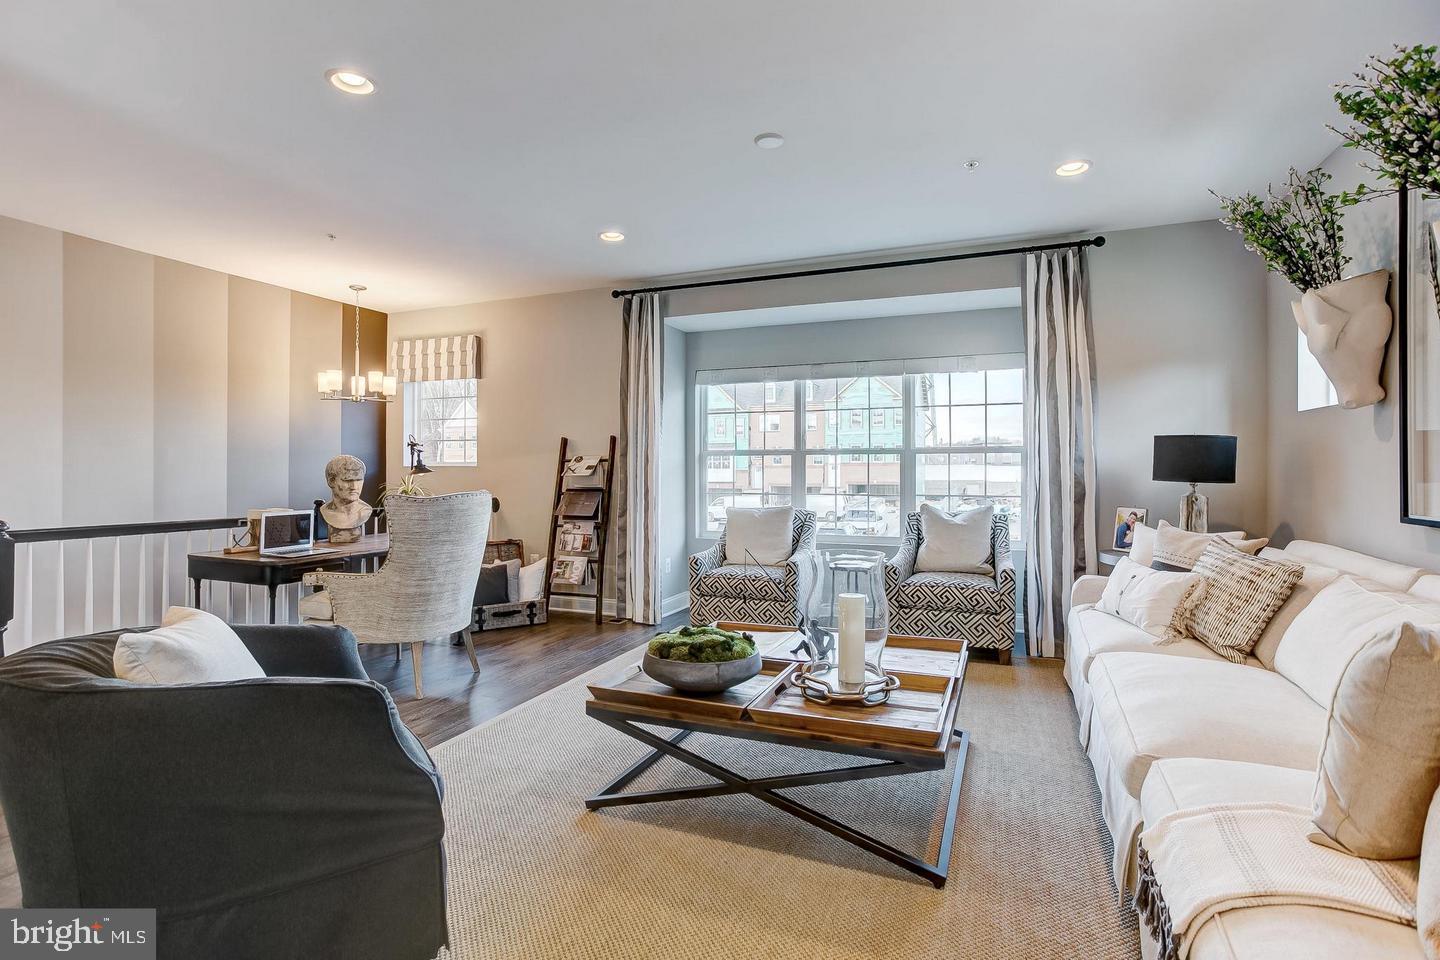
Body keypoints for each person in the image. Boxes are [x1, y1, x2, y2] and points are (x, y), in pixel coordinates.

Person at [319, 454, 373, 544]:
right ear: (331, 481)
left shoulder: (365, 511)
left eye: (359, 480)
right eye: (347, 480)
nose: (354, 487)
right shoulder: (325, 511)